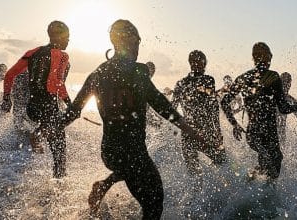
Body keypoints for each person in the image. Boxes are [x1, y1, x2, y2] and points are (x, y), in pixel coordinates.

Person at [61, 19, 205, 219]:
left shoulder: (98, 73)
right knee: (154, 204)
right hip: (133, 153)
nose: (138, 46)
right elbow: (161, 104)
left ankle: (103, 186)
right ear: (124, 42)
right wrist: (189, 130)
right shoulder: (139, 72)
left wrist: (43, 130)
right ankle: (103, 186)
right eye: (136, 41)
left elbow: (72, 112)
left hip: (111, 152)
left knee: (141, 188)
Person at [0, 20, 71, 179]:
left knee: (57, 149)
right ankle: (38, 134)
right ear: (57, 37)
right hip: (49, 109)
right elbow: (57, 84)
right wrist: (70, 103)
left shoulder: (32, 53)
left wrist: (6, 98)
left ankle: (40, 131)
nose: (68, 41)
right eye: (67, 37)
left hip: (32, 108)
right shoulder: (63, 56)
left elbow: (10, 75)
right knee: (60, 154)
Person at [221, 42, 297, 180]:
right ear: (266, 57)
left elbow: (224, 102)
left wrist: (234, 124)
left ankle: (248, 184)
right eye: (269, 55)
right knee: (273, 165)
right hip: (268, 132)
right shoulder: (273, 76)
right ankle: (259, 191)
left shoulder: (243, 78)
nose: (270, 58)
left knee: (265, 164)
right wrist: (296, 107)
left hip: (252, 133)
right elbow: (283, 107)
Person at [172, 50, 226, 191]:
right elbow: (213, 108)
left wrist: (180, 126)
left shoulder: (180, 84)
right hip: (205, 132)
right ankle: (217, 197)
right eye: (201, 62)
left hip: (188, 133)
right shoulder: (208, 80)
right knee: (221, 161)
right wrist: (217, 132)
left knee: (194, 175)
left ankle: (197, 202)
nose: (201, 65)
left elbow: (171, 109)